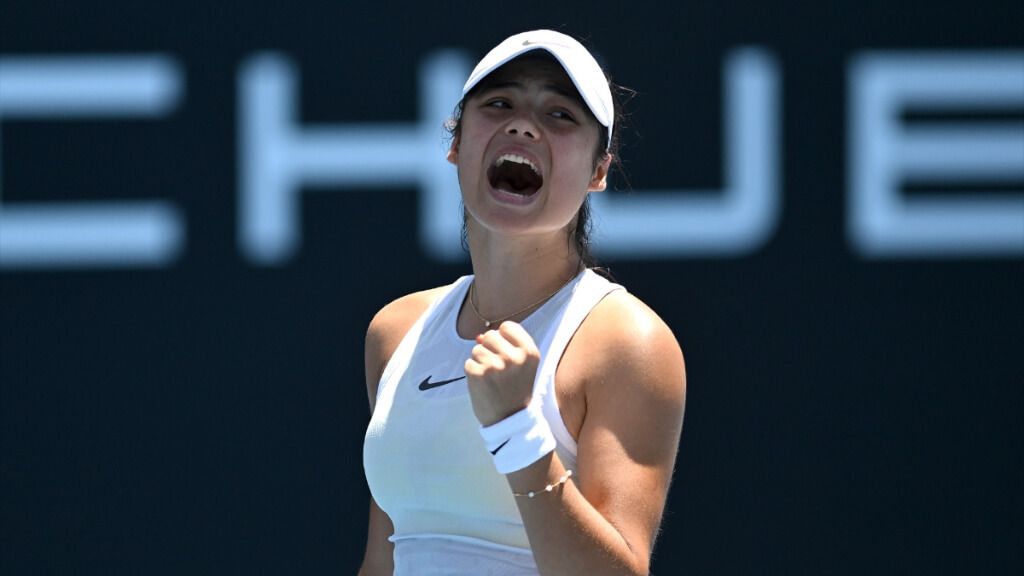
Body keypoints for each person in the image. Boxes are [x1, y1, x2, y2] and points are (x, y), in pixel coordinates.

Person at [361, 30, 686, 576]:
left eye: (560, 115)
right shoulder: (395, 331)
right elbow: (385, 559)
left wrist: (517, 430)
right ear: (456, 144)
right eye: (500, 103)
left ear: (598, 170)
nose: (522, 124)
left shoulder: (626, 343)